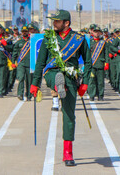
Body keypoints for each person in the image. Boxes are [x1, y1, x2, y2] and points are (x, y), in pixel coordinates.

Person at [30, 10, 92, 166]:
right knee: (55, 76)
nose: (53, 23)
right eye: (53, 21)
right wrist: (35, 83)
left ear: (66, 23)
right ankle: (58, 85)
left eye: (57, 21)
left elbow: (88, 62)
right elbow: (40, 63)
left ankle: (68, 154)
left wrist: (85, 83)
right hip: (52, 73)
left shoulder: (79, 39)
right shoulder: (48, 38)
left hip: (71, 78)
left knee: (69, 115)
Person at [88, 26, 108, 101]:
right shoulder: (89, 42)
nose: (96, 33)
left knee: (100, 81)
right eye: (95, 31)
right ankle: (92, 95)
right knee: (92, 80)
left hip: (100, 64)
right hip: (92, 64)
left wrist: (107, 63)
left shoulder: (103, 42)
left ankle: (100, 95)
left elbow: (106, 53)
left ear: (100, 33)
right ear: (92, 32)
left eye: (98, 32)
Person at [12, 26, 32, 101]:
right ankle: (20, 94)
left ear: (28, 32)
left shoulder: (31, 41)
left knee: (29, 80)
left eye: (26, 31)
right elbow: (14, 52)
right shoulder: (19, 42)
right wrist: (13, 62)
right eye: (23, 31)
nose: (24, 33)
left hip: (29, 63)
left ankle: (29, 95)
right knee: (21, 78)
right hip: (21, 63)